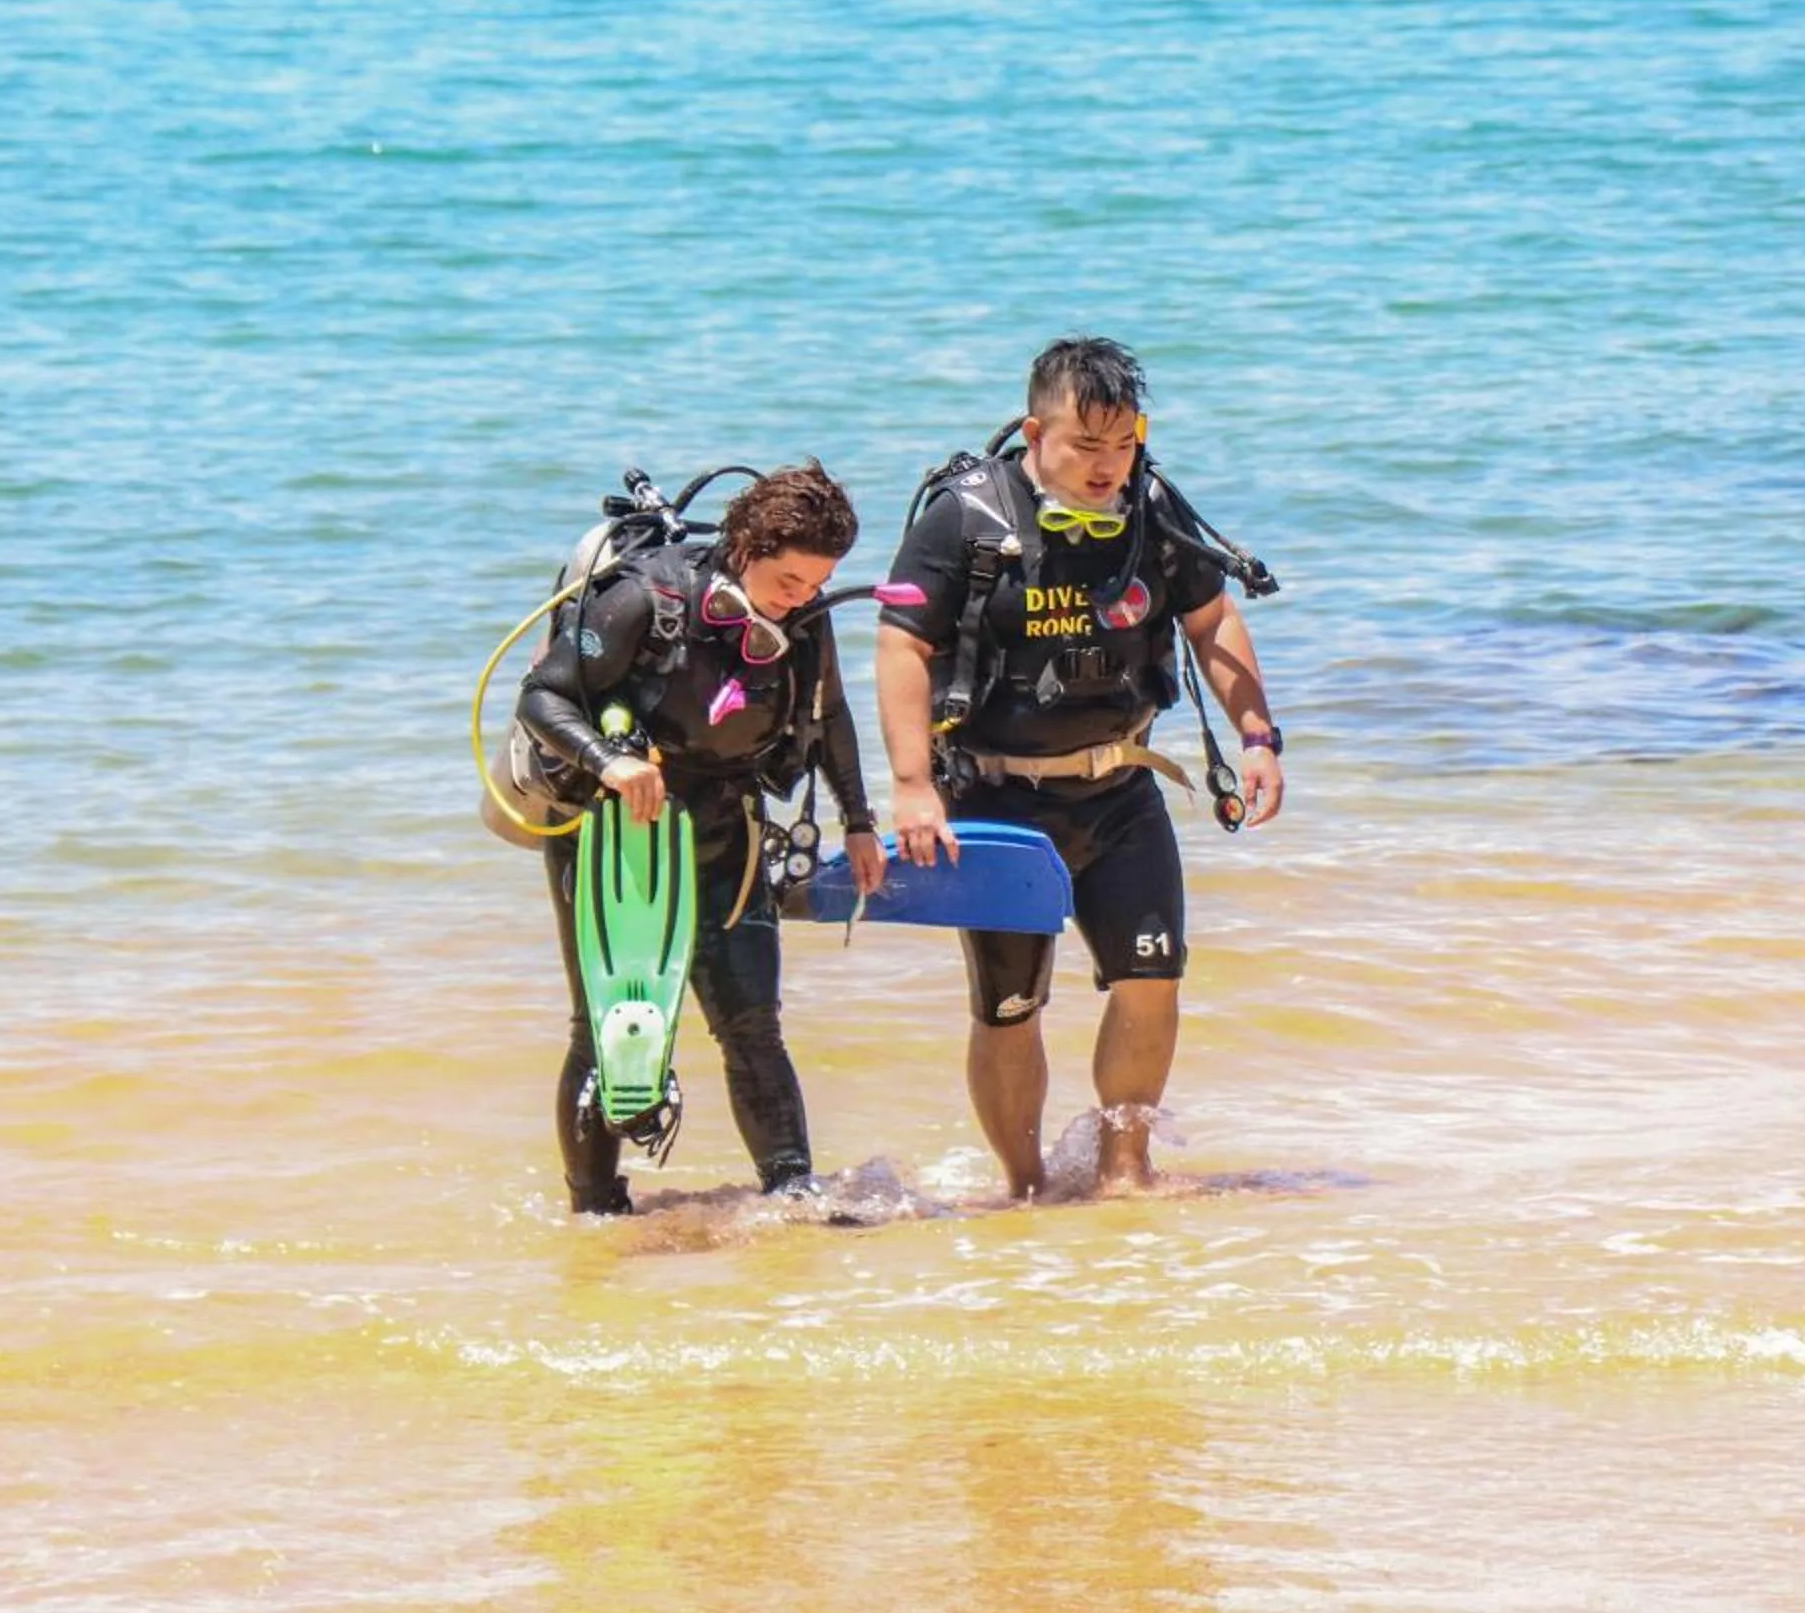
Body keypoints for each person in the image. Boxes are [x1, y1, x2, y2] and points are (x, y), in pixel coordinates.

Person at [875, 338, 1284, 1199]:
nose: (1109, 469)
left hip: (1120, 793)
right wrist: (913, 786)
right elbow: (901, 643)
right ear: (1035, 431)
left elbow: (1212, 623)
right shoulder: (965, 518)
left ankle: (1124, 1175)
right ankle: (1025, 1188)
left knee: (1151, 980)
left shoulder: (1153, 509)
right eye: (1087, 447)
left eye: (1124, 446)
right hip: (996, 800)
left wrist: (1258, 735)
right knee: (1010, 1009)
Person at [498, 461, 884, 1215]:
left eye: (817, 584)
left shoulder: (802, 616)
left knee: (752, 1024)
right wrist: (608, 761)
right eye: (789, 582)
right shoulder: (644, 598)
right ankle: (596, 1210)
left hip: (726, 827)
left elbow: (829, 715)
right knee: (606, 1029)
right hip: (615, 833)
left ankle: (792, 1193)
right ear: (745, 548)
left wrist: (860, 821)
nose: (802, 600)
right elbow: (542, 697)